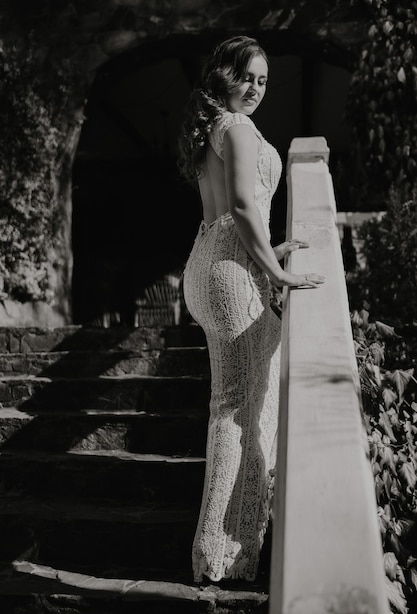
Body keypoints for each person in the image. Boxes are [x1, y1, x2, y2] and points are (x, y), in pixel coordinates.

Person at [178, 35, 325, 585]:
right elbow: (242, 205)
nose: (257, 90)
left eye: (265, 80)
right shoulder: (236, 128)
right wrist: (278, 271)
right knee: (237, 411)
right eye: (248, 77)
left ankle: (233, 546)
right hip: (231, 273)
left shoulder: (212, 126)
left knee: (237, 407)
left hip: (211, 262)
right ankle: (218, 553)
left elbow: (232, 213)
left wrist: (270, 251)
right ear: (224, 74)